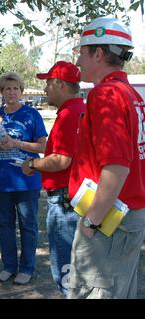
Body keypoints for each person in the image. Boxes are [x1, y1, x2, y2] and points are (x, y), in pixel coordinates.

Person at [67, 17, 145, 299]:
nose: (78, 60)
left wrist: (91, 221)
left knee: (95, 292)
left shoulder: (107, 95)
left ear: (98, 53)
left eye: (81, 52)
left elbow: (117, 167)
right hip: (126, 217)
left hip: (109, 223)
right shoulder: (130, 94)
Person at [21, 61, 86, 296]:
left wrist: (33, 163)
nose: (46, 89)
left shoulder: (69, 114)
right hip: (75, 196)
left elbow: (61, 160)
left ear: (59, 84)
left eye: (48, 83)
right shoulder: (81, 108)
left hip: (65, 200)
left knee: (66, 269)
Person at [0, 72, 47, 285]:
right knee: (4, 225)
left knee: (28, 225)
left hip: (26, 179)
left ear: (21, 91)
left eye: (15, 88)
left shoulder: (31, 115)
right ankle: (9, 266)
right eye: (7, 88)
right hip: (0, 180)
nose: (11, 92)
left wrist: (17, 143)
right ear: (1, 92)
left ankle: (26, 268)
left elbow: (43, 146)